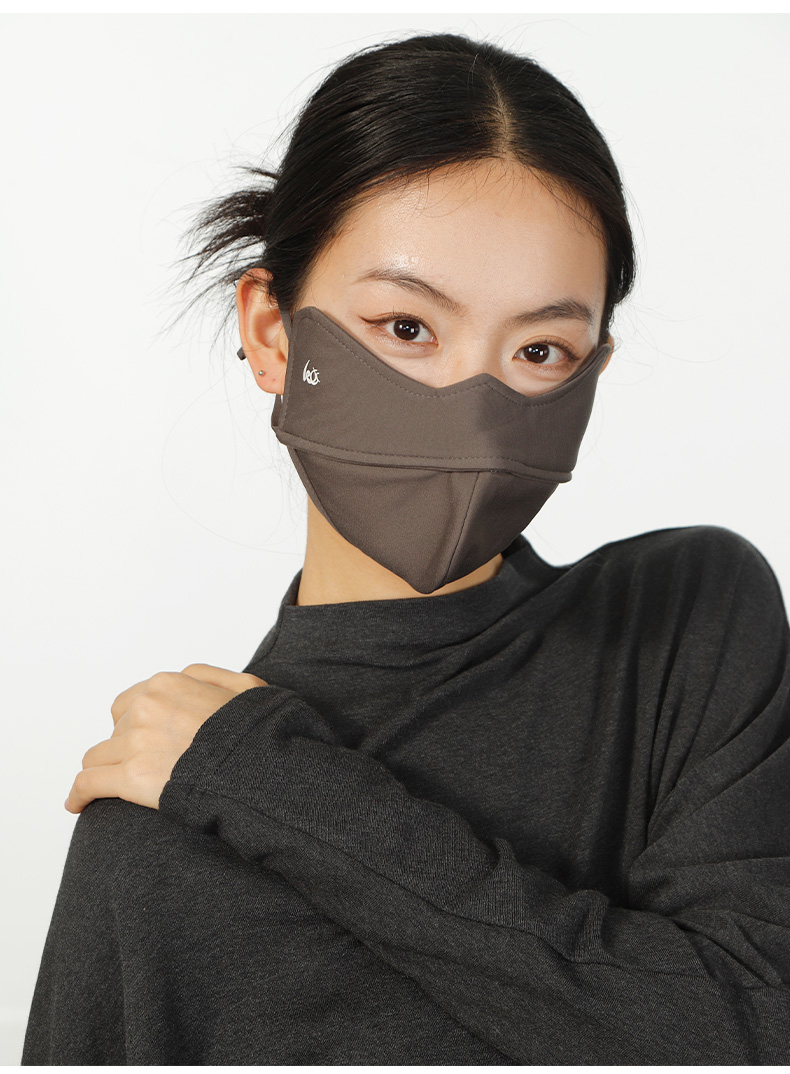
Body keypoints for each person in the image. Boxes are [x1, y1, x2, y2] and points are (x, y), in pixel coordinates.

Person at [22, 31, 790, 1065]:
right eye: (407, 328)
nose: (474, 414)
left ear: (592, 371)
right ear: (272, 334)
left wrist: (279, 790)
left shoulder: (684, 624)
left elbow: (753, 1032)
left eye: (539, 350)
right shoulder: (152, 833)